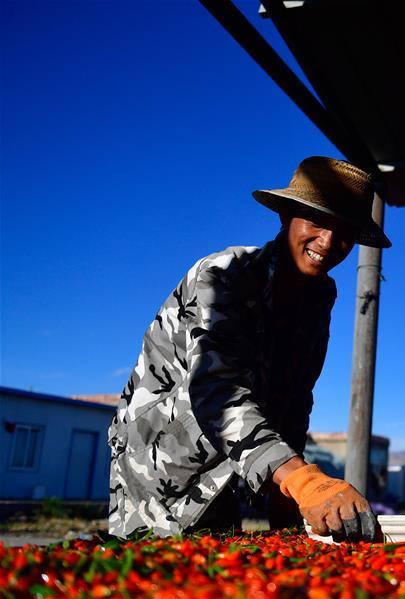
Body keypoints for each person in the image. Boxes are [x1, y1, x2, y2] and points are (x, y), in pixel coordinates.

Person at [106, 156, 390, 541]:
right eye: (317, 221)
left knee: (220, 573)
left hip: (231, 468)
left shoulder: (320, 297)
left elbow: (295, 399)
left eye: (343, 232)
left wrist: (286, 496)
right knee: (154, 571)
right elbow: (217, 394)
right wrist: (302, 479)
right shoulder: (225, 274)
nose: (327, 242)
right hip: (161, 464)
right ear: (286, 217)